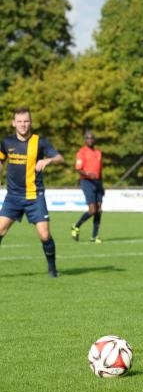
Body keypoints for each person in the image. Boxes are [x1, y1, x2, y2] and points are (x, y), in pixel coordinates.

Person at [0, 107, 64, 278]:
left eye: (26, 121)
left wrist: (47, 160)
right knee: (0, 230)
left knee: (44, 235)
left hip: (35, 196)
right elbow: (1, 161)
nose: (23, 124)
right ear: (14, 123)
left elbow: (60, 158)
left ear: (31, 122)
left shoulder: (40, 142)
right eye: (19, 121)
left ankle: (52, 269)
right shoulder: (6, 142)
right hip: (13, 196)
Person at [71, 131, 104, 243]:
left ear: (94, 140)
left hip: (98, 183)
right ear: (85, 140)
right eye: (87, 138)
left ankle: (94, 236)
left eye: (92, 138)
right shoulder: (81, 152)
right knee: (92, 210)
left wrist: (102, 185)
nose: (90, 140)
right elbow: (78, 168)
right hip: (87, 182)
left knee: (99, 210)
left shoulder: (99, 153)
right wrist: (88, 174)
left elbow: (100, 171)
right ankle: (76, 225)